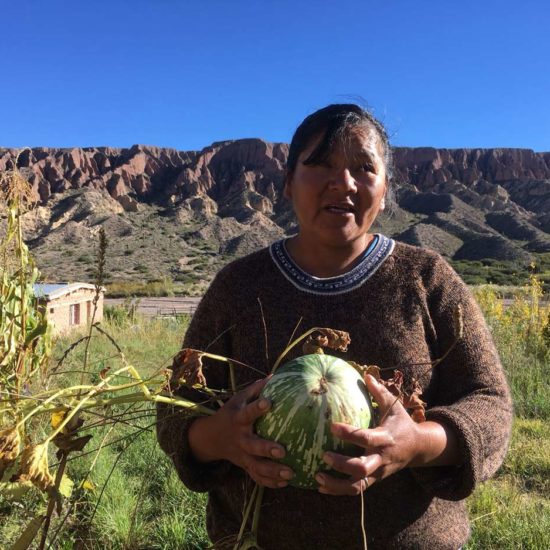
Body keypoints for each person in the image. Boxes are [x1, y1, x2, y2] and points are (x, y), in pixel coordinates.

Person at [157, 104, 512, 549]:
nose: (342, 183)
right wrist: (219, 439)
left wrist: (416, 444)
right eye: (320, 164)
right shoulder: (239, 286)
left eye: (364, 168)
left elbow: (491, 405)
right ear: (287, 183)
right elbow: (174, 411)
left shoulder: (428, 277)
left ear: (384, 191)